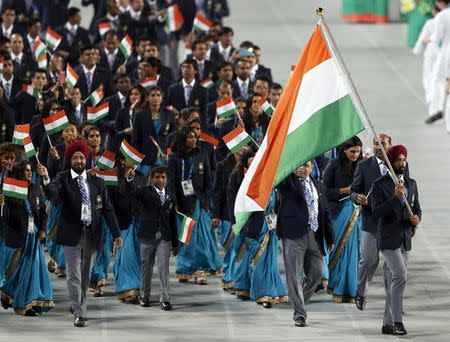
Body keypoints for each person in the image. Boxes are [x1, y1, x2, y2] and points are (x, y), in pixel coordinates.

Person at [37, 140, 123, 328]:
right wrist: (45, 178)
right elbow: (52, 194)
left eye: (81, 157)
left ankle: (77, 303)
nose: (78, 160)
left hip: (92, 233)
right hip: (71, 233)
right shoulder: (62, 177)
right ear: (69, 159)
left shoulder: (98, 182)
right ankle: (79, 312)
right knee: (73, 274)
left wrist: (117, 234)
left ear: (87, 158)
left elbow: (107, 209)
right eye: (75, 157)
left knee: (85, 275)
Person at [370, 145, 421, 336]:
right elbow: (376, 212)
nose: (402, 163)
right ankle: (398, 322)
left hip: (405, 239)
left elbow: (417, 207)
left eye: (403, 159)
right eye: (398, 160)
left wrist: (416, 218)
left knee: (393, 280)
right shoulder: (379, 185)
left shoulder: (412, 183)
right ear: (390, 162)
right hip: (389, 239)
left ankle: (387, 323)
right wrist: (394, 198)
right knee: (400, 276)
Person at [277, 162, 335, 327]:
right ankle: (300, 313)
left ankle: (299, 301)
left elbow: (325, 211)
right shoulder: (287, 183)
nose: (302, 168)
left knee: (317, 273)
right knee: (294, 275)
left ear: (312, 168)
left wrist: (330, 237)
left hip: (315, 236)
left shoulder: (318, 185)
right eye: (298, 165)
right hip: (293, 235)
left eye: (306, 165)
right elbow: (279, 176)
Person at [167, 126, 222, 284]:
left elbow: (209, 179)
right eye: (190, 137)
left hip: (199, 202)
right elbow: (170, 183)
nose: (193, 139)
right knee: (185, 238)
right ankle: (184, 269)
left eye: (194, 137)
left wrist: (205, 199)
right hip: (181, 205)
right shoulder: (174, 158)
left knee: (199, 238)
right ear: (182, 139)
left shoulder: (201, 154)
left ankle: (200, 271)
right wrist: (174, 202)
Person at [0, 160, 54, 316]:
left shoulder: (36, 188)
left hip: (34, 236)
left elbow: (43, 210)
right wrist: (2, 206)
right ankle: (7, 291)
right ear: (18, 173)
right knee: (17, 271)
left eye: (30, 170)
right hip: (18, 236)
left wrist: (43, 228)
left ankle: (27, 304)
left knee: (33, 269)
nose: (30, 173)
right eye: (26, 171)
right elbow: (7, 218)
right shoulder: (10, 191)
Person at [129, 166, 179, 310]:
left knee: (164, 268)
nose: (160, 180)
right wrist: (130, 179)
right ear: (151, 179)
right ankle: (144, 297)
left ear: (167, 179)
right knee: (146, 267)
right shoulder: (145, 191)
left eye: (163, 177)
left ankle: (165, 298)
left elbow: (172, 220)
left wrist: (175, 243)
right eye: (157, 177)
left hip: (165, 236)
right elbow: (131, 192)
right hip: (147, 236)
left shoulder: (170, 195)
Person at [351, 134, 391, 310]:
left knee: (392, 266)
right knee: (368, 260)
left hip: (391, 223)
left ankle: (394, 299)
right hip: (371, 222)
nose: (377, 147)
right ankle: (361, 292)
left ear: (389, 145)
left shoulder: (397, 165)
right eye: (375, 144)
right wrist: (357, 197)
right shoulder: (364, 166)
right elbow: (353, 191)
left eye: (381, 144)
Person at [323, 136, 363, 303]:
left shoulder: (363, 166)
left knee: (354, 252)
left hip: (357, 213)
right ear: (344, 150)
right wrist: (345, 191)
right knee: (338, 250)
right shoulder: (333, 165)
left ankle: (351, 290)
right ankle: (337, 287)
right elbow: (324, 191)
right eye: (352, 151)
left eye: (358, 152)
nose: (355, 154)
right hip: (338, 213)